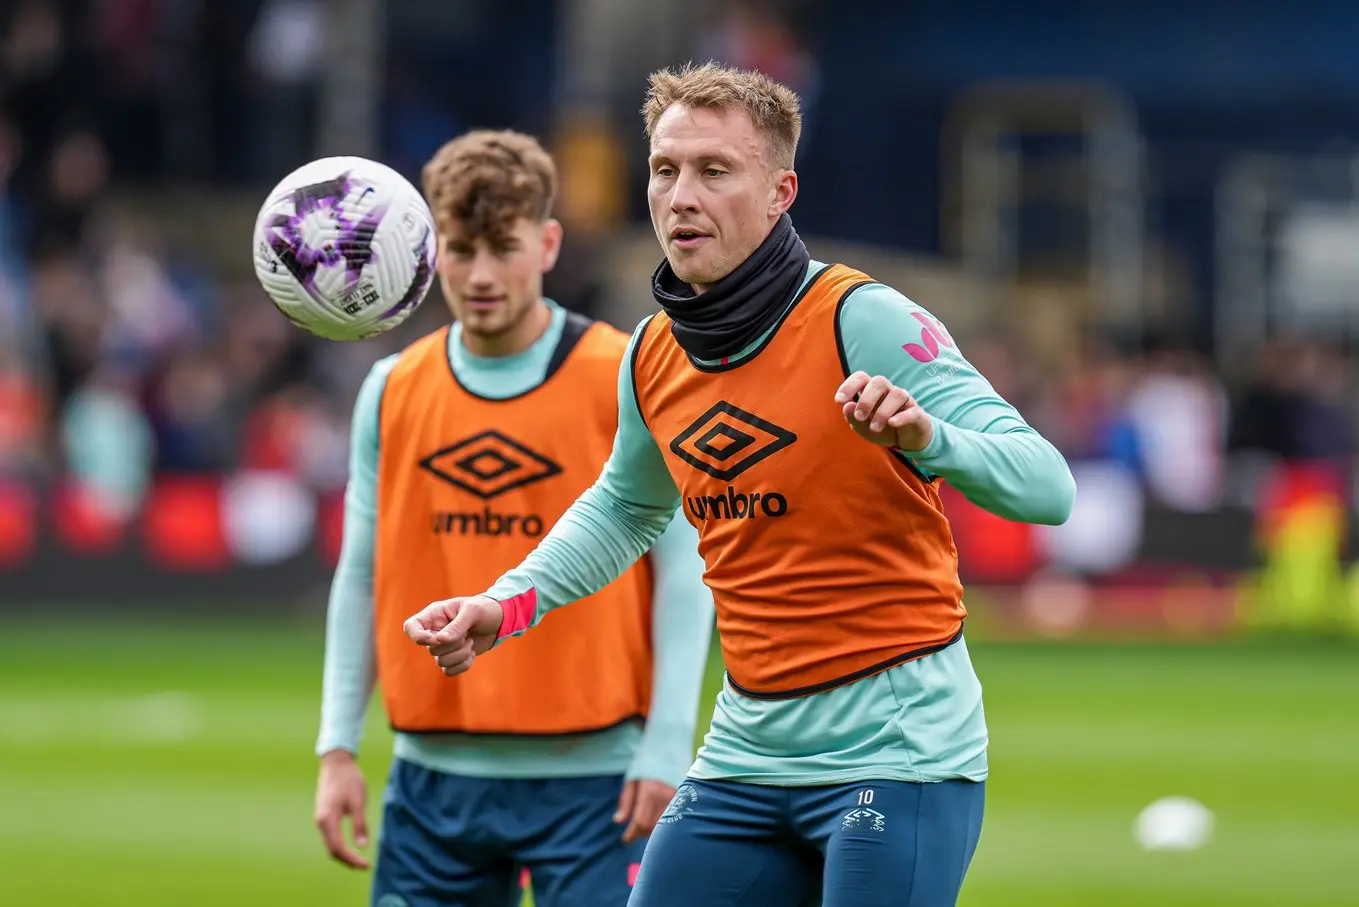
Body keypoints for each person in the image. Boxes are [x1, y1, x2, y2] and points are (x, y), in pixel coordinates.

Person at [403, 64, 1076, 907]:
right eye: (664, 169)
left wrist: (927, 437)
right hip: (747, 750)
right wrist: (501, 607)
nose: (680, 195)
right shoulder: (651, 353)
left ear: (779, 192)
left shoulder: (858, 319)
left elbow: (1049, 487)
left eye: (714, 171)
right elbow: (624, 507)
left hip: (895, 753)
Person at [313, 128, 715, 907]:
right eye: (461, 250)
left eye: (505, 245)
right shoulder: (391, 389)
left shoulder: (624, 373)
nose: (482, 274)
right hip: (433, 781)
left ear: (549, 242)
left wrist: (666, 746)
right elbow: (361, 574)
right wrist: (336, 746)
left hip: (597, 779)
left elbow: (682, 566)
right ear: (430, 250)